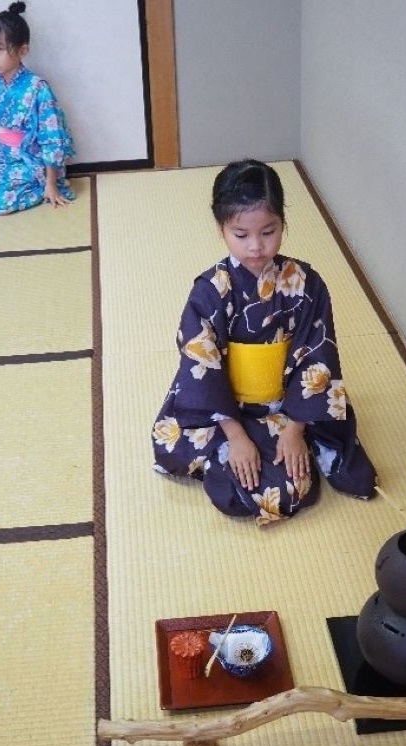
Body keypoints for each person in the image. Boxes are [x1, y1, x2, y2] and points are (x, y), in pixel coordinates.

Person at [152, 159, 377, 526]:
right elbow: (200, 368)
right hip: (226, 407)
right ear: (221, 229)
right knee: (174, 444)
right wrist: (236, 436)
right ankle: (233, 452)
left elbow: (317, 356)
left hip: (288, 404)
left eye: (268, 232)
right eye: (241, 235)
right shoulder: (210, 291)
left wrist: (295, 430)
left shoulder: (306, 283)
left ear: (283, 224)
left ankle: (296, 445)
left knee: (335, 479)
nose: (256, 247)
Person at [0, 2, 75, 218]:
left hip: (28, 159)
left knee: (1, 201)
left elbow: (51, 137)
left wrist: (51, 183)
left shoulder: (37, 88)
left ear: (23, 50)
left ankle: (42, 186)